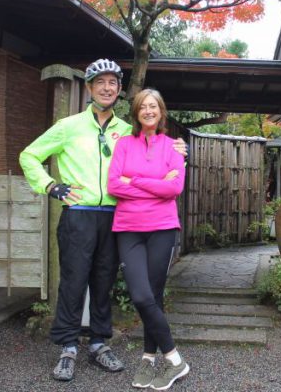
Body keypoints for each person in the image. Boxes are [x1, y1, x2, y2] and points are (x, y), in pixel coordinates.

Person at [19, 59, 185, 382]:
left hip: (115, 216)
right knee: (73, 281)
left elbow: (158, 147)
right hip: (78, 215)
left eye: (113, 83)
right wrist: (51, 186)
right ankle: (67, 347)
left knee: (104, 282)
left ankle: (98, 343)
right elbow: (29, 155)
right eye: (100, 82)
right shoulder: (69, 126)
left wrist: (181, 148)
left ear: (119, 90)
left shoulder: (127, 131)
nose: (107, 88)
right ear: (89, 87)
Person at [107, 88, 189, 390]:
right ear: (137, 112)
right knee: (141, 295)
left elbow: (174, 189)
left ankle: (148, 357)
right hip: (128, 228)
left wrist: (137, 181)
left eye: (153, 106)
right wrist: (156, 183)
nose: (148, 111)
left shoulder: (174, 147)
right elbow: (114, 185)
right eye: (143, 106)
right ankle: (175, 360)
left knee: (153, 295)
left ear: (161, 111)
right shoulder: (125, 145)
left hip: (162, 228)